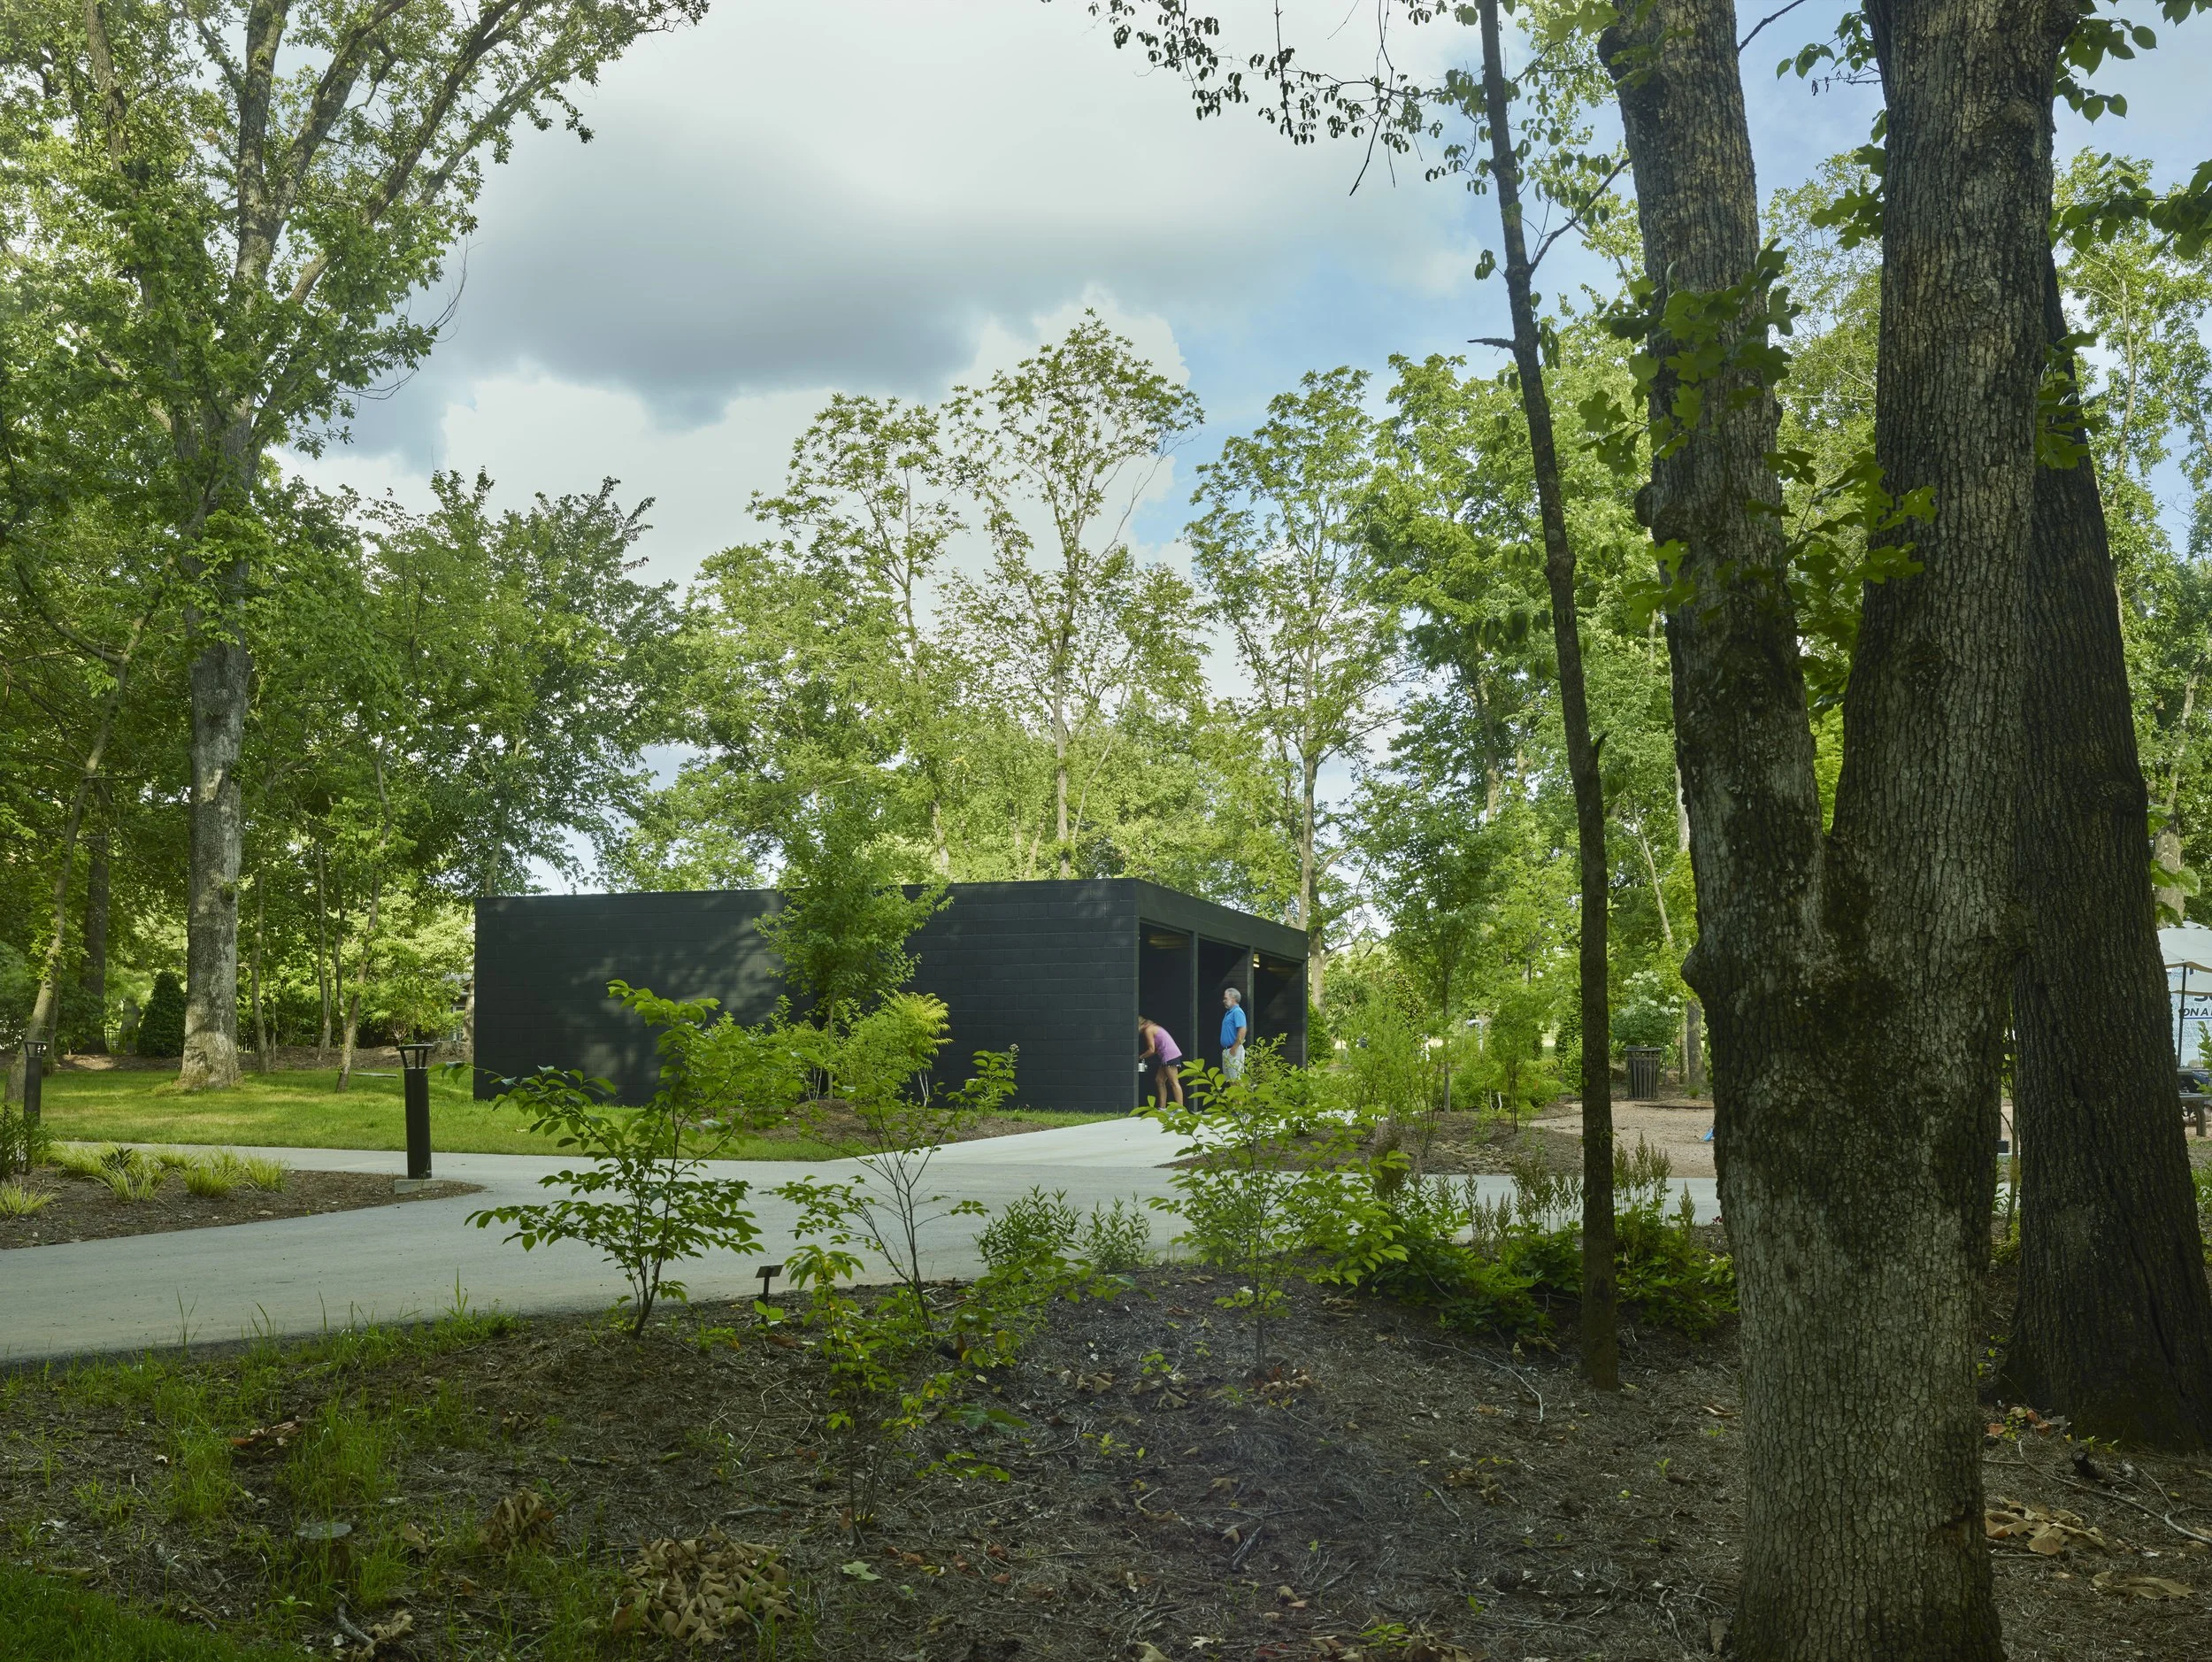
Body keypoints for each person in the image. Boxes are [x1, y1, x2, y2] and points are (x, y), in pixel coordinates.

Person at [1137, 1016, 1184, 1109]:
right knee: (1159, 1080)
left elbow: (1151, 1049)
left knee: (1174, 1082)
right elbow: (1156, 1049)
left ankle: (1181, 1109)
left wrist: (1140, 1057)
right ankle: (1162, 1108)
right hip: (1167, 1055)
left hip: (1170, 1055)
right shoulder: (1153, 1027)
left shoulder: (1148, 1030)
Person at [1219, 986, 1248, 1080]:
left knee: (1237, 1081)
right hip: (1227, 1050)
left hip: (1234, 1050)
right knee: (1231, 1081)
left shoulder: (1237, 1012)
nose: (1224, 1000)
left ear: (1233, 998)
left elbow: (1242, 1030)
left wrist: (1234, 1048)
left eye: (1225, 998)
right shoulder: (1229, 1013)